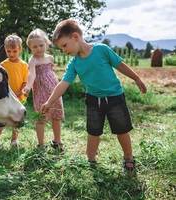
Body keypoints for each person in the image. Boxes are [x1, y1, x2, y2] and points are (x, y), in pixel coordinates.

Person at [41, 19, 147, 171]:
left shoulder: (101, 50)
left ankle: (128, 158)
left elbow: (120, 65)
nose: (64, 50)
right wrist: (49, 102)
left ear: (75, 37)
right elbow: (63, 84)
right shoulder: (74, 63)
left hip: (115, 98)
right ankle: (91, 160)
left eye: (64, 45)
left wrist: (137, 78)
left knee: (122, 129)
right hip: (93, 100)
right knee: (93, 131)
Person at [22, 29, 64, 151]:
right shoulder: (33, 60)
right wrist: (28, 86)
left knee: (56, 116)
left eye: (41, 45)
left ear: (46, 43)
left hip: (54, 90)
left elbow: (52, 72)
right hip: (41, 91)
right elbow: (32, 75)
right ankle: (41, 144)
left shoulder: (50, 58)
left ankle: (57, 141)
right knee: (41, 118)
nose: (38, 48)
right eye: (34, 47)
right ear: (30, 48)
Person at [0, 34, 29, 148]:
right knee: (0, 121)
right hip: (5, 98)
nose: (12, 54)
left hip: (19, 98)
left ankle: (14, 141)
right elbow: (0, 81)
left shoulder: (24, 65)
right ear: (5, 50)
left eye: (14, 51)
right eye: (9, 51)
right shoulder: (3, 65)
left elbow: (25, 81)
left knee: (16, 122)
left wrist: (21, 92)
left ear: (20, 49)